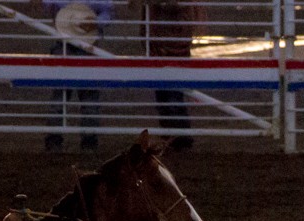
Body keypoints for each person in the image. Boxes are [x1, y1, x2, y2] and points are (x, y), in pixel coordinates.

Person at [31, 0, 115, 151]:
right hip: (80, 44)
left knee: (67, 95)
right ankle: (83, 141)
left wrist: (96, 22)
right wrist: (96, 22)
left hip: (78, 44)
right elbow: (107, 12)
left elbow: (107, 12)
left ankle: (64, 140)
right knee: (79, 96)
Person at [130, 0, 206, 150]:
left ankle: (178, 136)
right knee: (167, 95)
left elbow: (176, 7)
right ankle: (175, 136)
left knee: (171, 95)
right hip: (164, 43)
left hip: (169, 43)